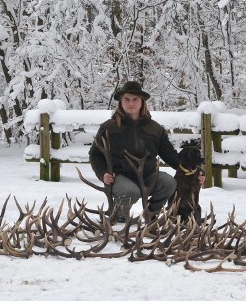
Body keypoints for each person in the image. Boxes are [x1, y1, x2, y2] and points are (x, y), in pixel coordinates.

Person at [88, 81, 205, 222]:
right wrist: (103, 174)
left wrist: (197, 172)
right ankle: (119, 218)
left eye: (135, 99)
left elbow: (173, 158)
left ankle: (150, 214)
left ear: (142, 102)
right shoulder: (109, 127)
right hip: (120, 176)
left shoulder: (155, 129)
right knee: (131, 191)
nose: (131, 103)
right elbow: (95, 154)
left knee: (169, 183)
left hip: (148, 175)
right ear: (121, 102)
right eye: (127, 99)